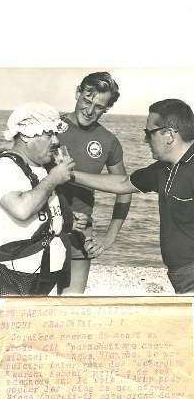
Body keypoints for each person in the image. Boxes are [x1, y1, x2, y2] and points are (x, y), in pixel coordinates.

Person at [72, 98, 194, 294]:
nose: (145, 140)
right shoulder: (163, 169)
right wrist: (68, 174)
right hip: (179, 276)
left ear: (169, 135)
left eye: (149, 133)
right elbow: (122, 183)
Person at [0, 102, 85, 296]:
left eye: (56, 133)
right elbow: (22, 209)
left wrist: (67, 219)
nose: (56, 141)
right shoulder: (4, 167)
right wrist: (53, 179)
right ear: (27, 135)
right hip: (10, 274)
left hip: (39, 273)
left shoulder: (40, 167)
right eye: (49, 134)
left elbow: (39, 208)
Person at [57, 71, 132, 293]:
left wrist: (110, 236)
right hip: (41, 227)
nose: (90, 111)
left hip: (80, 233)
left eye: (99, 107)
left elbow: (125, 188)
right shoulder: (50, 127)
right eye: (87, 101)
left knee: (71, 306)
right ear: (77, 93)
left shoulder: (108, 141)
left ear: (107, 108)